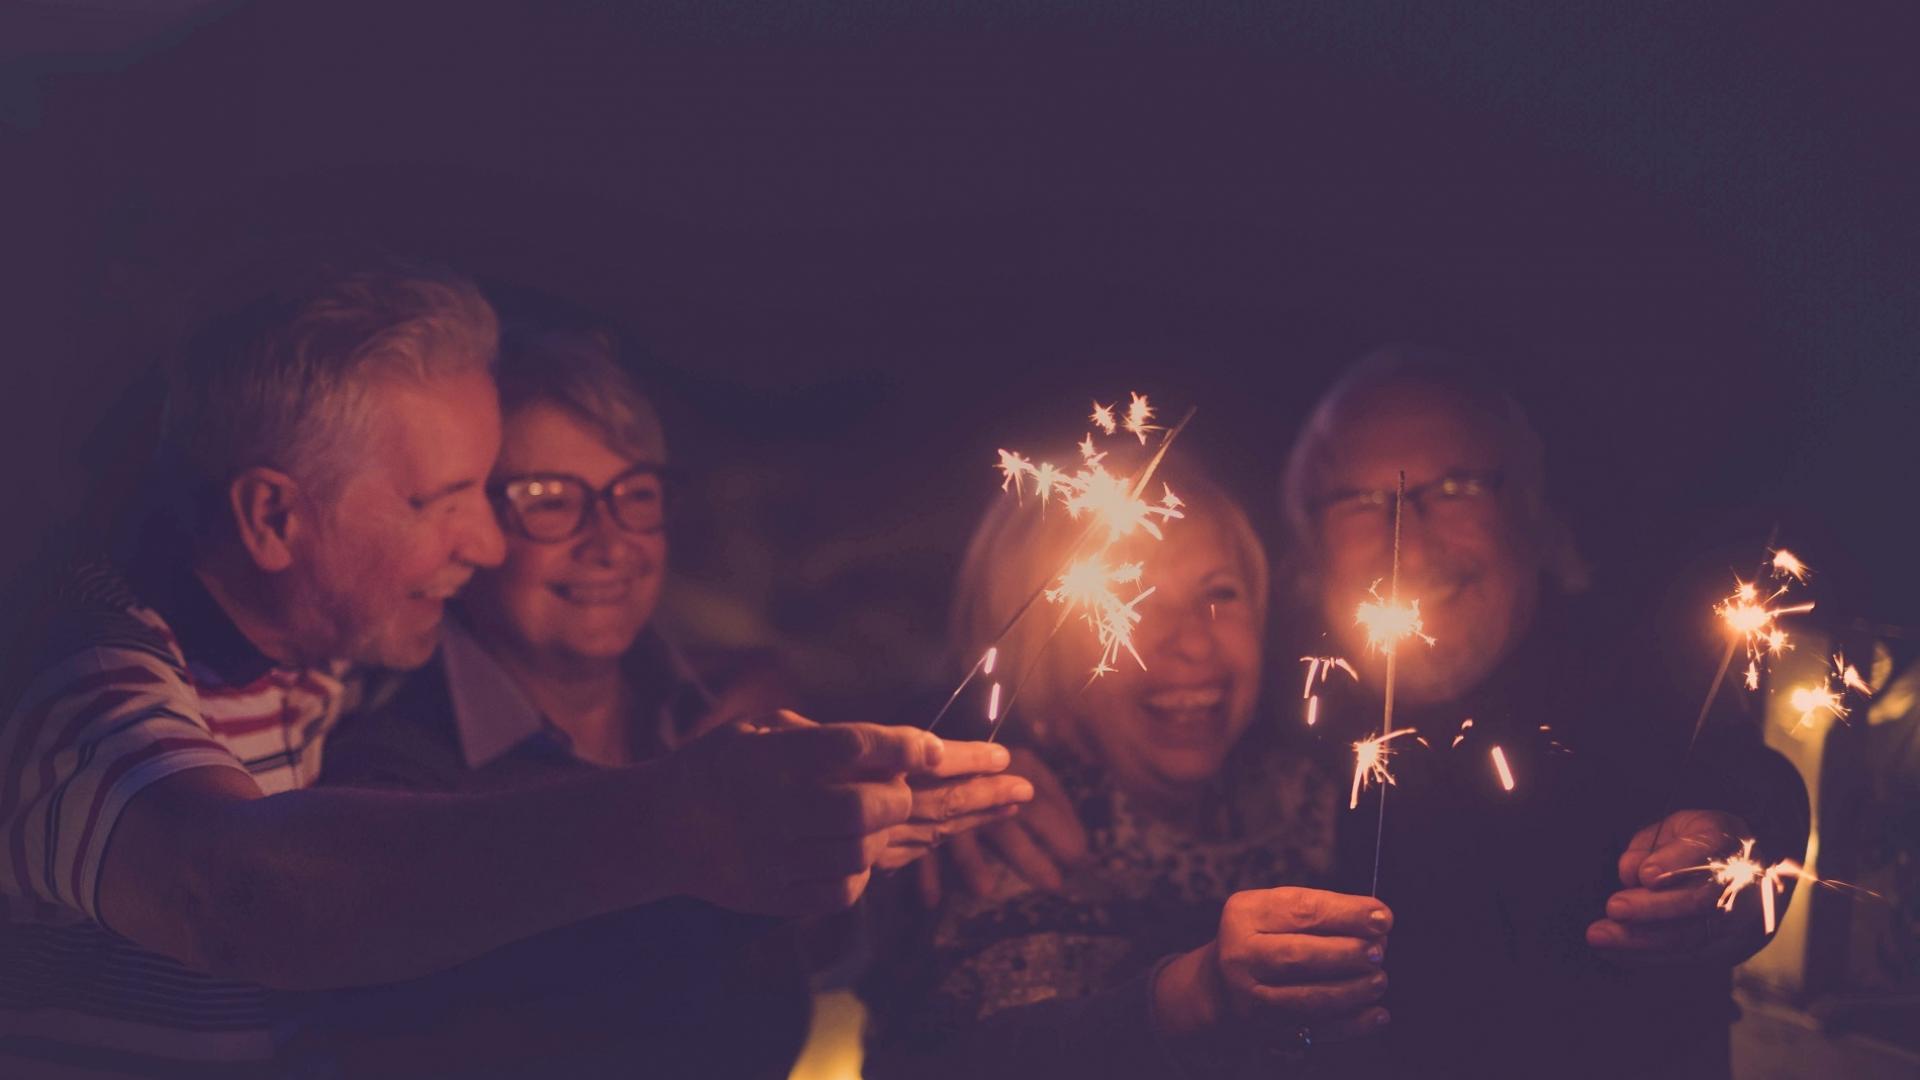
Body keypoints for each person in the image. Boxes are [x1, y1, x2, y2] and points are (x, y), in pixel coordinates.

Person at [0, 263, 1017, 1075]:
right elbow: (236, 894)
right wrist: (686, 820)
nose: (485, 544)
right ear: (274, 518)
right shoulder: (77, 682)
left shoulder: (321, 658)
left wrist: (945, 778)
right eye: (448, 498)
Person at [306, 320, 1032, 1075]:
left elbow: (818, 963)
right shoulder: (391, 777)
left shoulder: (726, 712)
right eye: (551, 500)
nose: (610, 539)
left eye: (636, 494)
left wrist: (920, 833)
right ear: (475, 525)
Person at [1276, 345, 1811, 1078]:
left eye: (1457, 485)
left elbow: (1745, 781)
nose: (1407, 530)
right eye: (1361, 499)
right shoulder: (1279, 720)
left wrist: (1738, 852)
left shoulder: (1630, 674)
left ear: (1534, 513)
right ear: (1309, 544)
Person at [861, 462, 1393, 1079]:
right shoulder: (998, 840)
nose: (1192, 643)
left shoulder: (1307, 796)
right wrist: (1193, 1001)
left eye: (1219, 593)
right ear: (1043, 638)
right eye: (1128, 598)